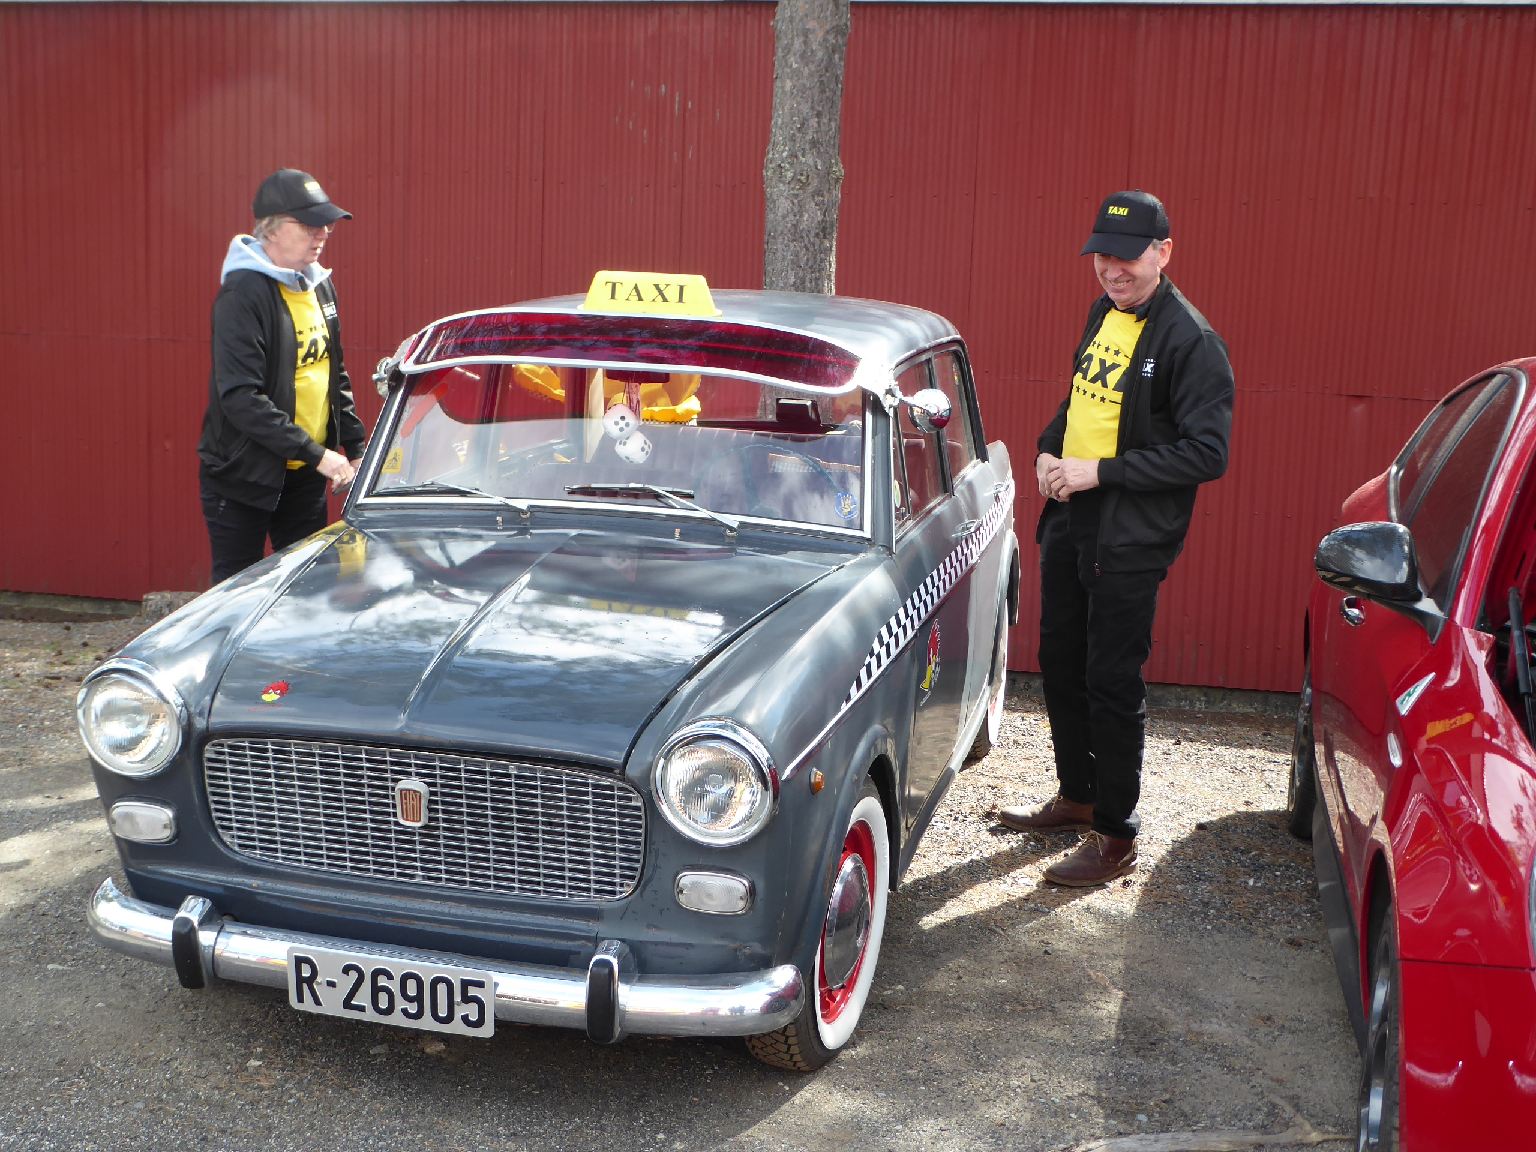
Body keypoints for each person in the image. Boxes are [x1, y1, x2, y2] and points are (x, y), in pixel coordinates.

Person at [998, 190, 1234, 886]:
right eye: (1103, 254)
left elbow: (1207, 453)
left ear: (1164, 252)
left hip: (1129, 537)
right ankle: (1077, 795)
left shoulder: (1192, 341)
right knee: (1060, 660)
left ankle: (1115, 834)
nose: (1112, 268)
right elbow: (1081, 400)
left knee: (1110, 678)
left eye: (1128, 256)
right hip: (1072, 519)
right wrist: (1048, 451)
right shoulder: (1104, 312)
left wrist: (1099, 472)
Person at [197, 169, 365, 584]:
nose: (322, 234)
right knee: (238, 593)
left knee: (307, 587)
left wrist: (355, 446)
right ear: (271, 228)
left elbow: (333, 372)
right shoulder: (243, 294)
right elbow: (240, 397)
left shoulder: (318, 285)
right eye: (309, 225)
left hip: (305, 474)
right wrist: (319, 454)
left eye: (326, 225)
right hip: (245, 478)